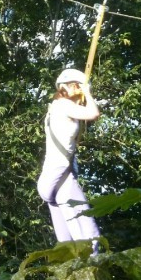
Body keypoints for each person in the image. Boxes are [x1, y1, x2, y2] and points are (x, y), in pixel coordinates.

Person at [36, 68, 101, 252]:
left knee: (66, 244)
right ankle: (93, 271)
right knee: (89, 239)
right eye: (76, 86)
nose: (79, 90)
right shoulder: (63, 105)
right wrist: (87, 92)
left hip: (51, 179)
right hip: (61, 177)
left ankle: (69, 274)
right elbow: (93, 113)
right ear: (64, 87)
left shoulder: (54, 109)